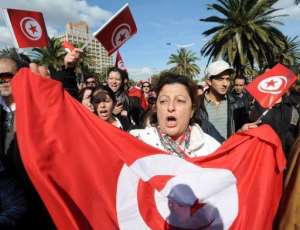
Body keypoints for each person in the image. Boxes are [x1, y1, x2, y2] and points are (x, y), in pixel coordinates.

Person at [130, 72, 220, 158]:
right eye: (164, 101)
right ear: (156, 108)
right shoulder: (136, 145)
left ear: (192, 110)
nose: (171, 107)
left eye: (180, 101)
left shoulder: (212, 150)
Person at [196, 60, 249, 140]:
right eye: (220, 79)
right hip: (207, 151)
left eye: (227, 79)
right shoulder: (196, 104)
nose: (225, 84)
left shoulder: (238, 103)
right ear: (209, 81)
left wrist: (241, 130)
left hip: (230, 150)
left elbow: (241, 129)